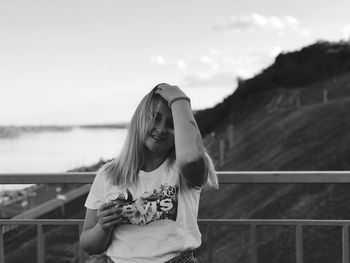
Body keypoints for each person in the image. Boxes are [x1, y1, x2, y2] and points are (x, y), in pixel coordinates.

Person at [79, 83, 218, 263]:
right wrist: (103, 227)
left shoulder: (184, 169)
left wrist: (180, 100)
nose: (160, 129)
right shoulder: (109, 174)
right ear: (140, 120)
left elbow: (191, 157)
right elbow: (89, 245)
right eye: (155, 118)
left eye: (171, 124)